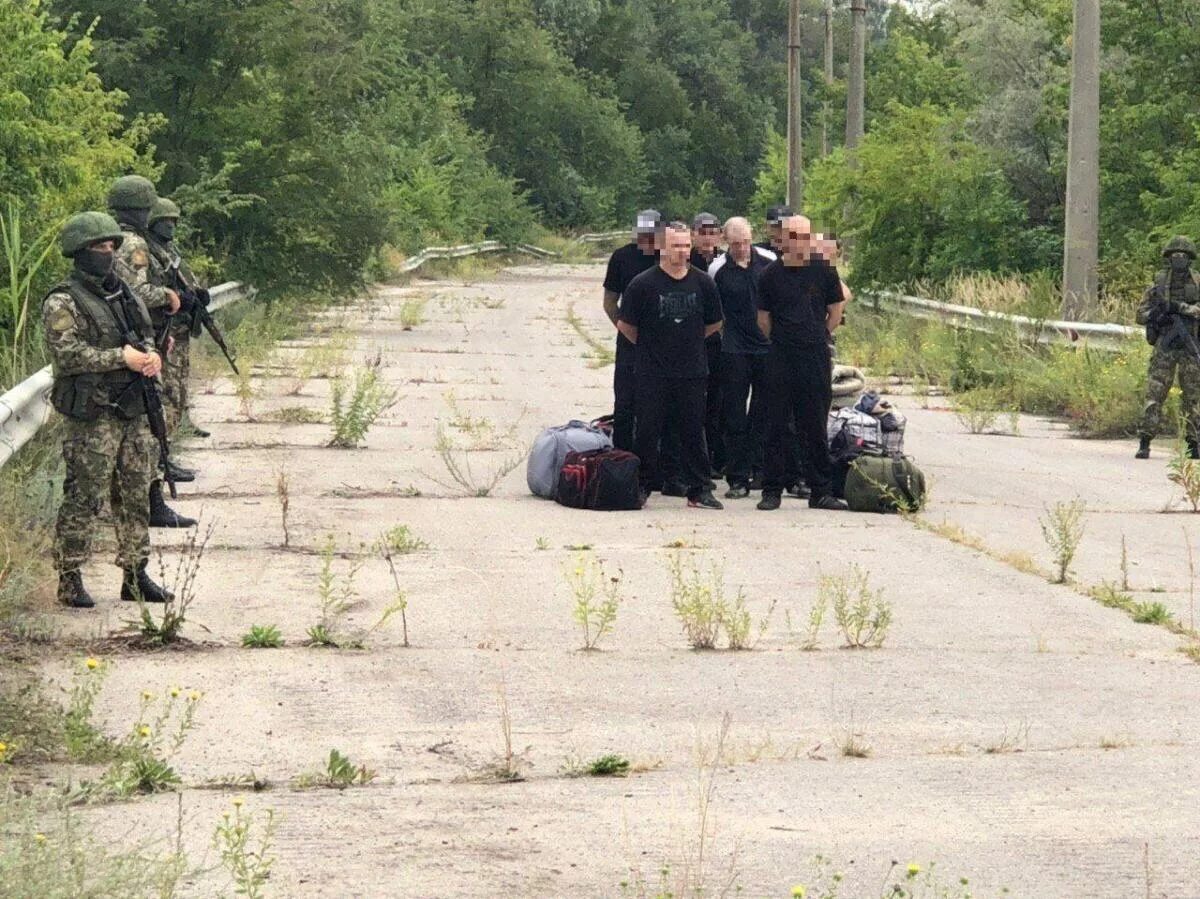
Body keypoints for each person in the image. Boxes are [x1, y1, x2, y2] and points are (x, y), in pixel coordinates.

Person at [44, 212, 176, 609]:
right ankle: (70, 577)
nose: (108, 253)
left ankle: (135, 575)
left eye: (111, 246)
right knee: (85, 494)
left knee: (135, 492)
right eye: (100, 247)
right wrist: (122, 357)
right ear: (80, 253)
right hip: (94, 412)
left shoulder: (124, 293)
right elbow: (66, 354)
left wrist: (151, 356)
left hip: (133, 407)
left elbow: (145, 333)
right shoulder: (63, 300)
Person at [107, 175, 196, 528]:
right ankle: (152, 504)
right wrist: (170, 298)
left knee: (141, 428)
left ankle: (149, 501)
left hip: (132, 342)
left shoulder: (108, 238)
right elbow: (136, 293)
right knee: (147, 426)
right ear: (142, 210)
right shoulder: (132, 244)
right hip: (134, 348)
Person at [618, 222, 724, 509]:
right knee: (648, 432)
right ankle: (641, 486)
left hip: (692, 371)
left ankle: (699, 489)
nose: (682, 251)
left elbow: (714, 323)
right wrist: (653, 345)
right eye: (676, 245)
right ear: (663, 247)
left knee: (693, 430)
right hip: (652, 372)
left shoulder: (703, 283)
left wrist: (686, 341)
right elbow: (626, 326)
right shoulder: (643, 284)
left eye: (686, 245)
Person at [756, 215, 849, 512]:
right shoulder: (770, 274)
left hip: (814, 354)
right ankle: (772, 490)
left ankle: (820, 490)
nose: (800, 242)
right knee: (776, 424)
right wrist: (784, 340)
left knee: (814, 424)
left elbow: (835, 310)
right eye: (794, 236)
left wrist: (819, 334)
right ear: (783, 239)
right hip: (781, 355)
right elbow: (763, 319)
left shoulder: (824, 271)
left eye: (805, 236)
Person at [709, 217, 774, 498]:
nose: (742, 248)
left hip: (766, 346)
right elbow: (712, 307)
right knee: (734, 412)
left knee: (764, 410)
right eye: (736, 244)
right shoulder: (718, 269)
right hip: (734, 347)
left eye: (746, 242)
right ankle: (737, 476)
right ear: (726, 242)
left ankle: (759, 469)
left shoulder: (769, 260)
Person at [145, 198, 205, 441]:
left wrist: (197, 294)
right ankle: (167, 439)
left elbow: (184, 279)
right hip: (165, 327)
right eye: (164, 221)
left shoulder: (170, 251)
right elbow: (153, 289)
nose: (170, 226)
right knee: (168, 387)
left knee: (180, 380)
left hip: (180, 327)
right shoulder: (147, 251)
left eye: (173, 221)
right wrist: (180, 297)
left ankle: (182, 423)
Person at [603, 210, 662, 453]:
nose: (647, 240)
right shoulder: (622, 257)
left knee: (660, 405)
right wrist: (627, 330)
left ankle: (658, 462)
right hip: (630, 340)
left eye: (652, 235)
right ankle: (622, 458)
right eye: (643, 235)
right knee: (626, 402)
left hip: (664, 341)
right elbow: (609, 303)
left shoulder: (670, 256)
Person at [1135, 236, 1200, 459]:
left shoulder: (1198, 283)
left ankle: (1194, 443)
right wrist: (1157, 315)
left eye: (1183, 256)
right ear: (1169, 259)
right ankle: (1145, 441)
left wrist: (1184, 309)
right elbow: (1140, 315)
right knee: (1155, 394)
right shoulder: (1158, 285)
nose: (1179, 259)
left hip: (1190, 346)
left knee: (1194, 398)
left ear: (1189, 259)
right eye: (1175, 256)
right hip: (1165, 346)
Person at [690, 212, 726, 477]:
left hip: (719, 341)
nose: (707, 237)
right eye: (702, 232)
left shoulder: (725, 261)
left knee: (717, 401)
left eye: (712, 232)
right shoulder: (683, 258)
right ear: (693, 234)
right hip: (688, 340)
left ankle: (715, 458)